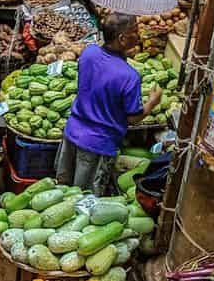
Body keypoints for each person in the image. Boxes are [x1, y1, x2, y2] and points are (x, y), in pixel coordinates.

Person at [59, 13, 161, 194]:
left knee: (63, 190)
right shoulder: (129, 76)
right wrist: (152, 102)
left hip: (71, 133)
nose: (139, 35)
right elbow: (133, 118)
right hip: (97, 145)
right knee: (84, 197)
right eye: (135, 31)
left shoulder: (88, 53)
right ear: (122, 39)